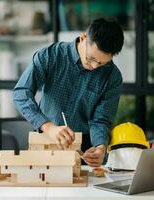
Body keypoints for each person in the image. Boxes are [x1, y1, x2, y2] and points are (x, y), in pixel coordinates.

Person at [13, 17, 124, 167]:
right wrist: (48, 127)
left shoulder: (112, 76)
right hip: (47, 137)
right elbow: (21, 94)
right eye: (90, 58)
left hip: (83, 147)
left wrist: (100, 147)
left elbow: (101, 119)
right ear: (83, 38)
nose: (94, 66)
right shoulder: (50, 56)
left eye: (102, 63)